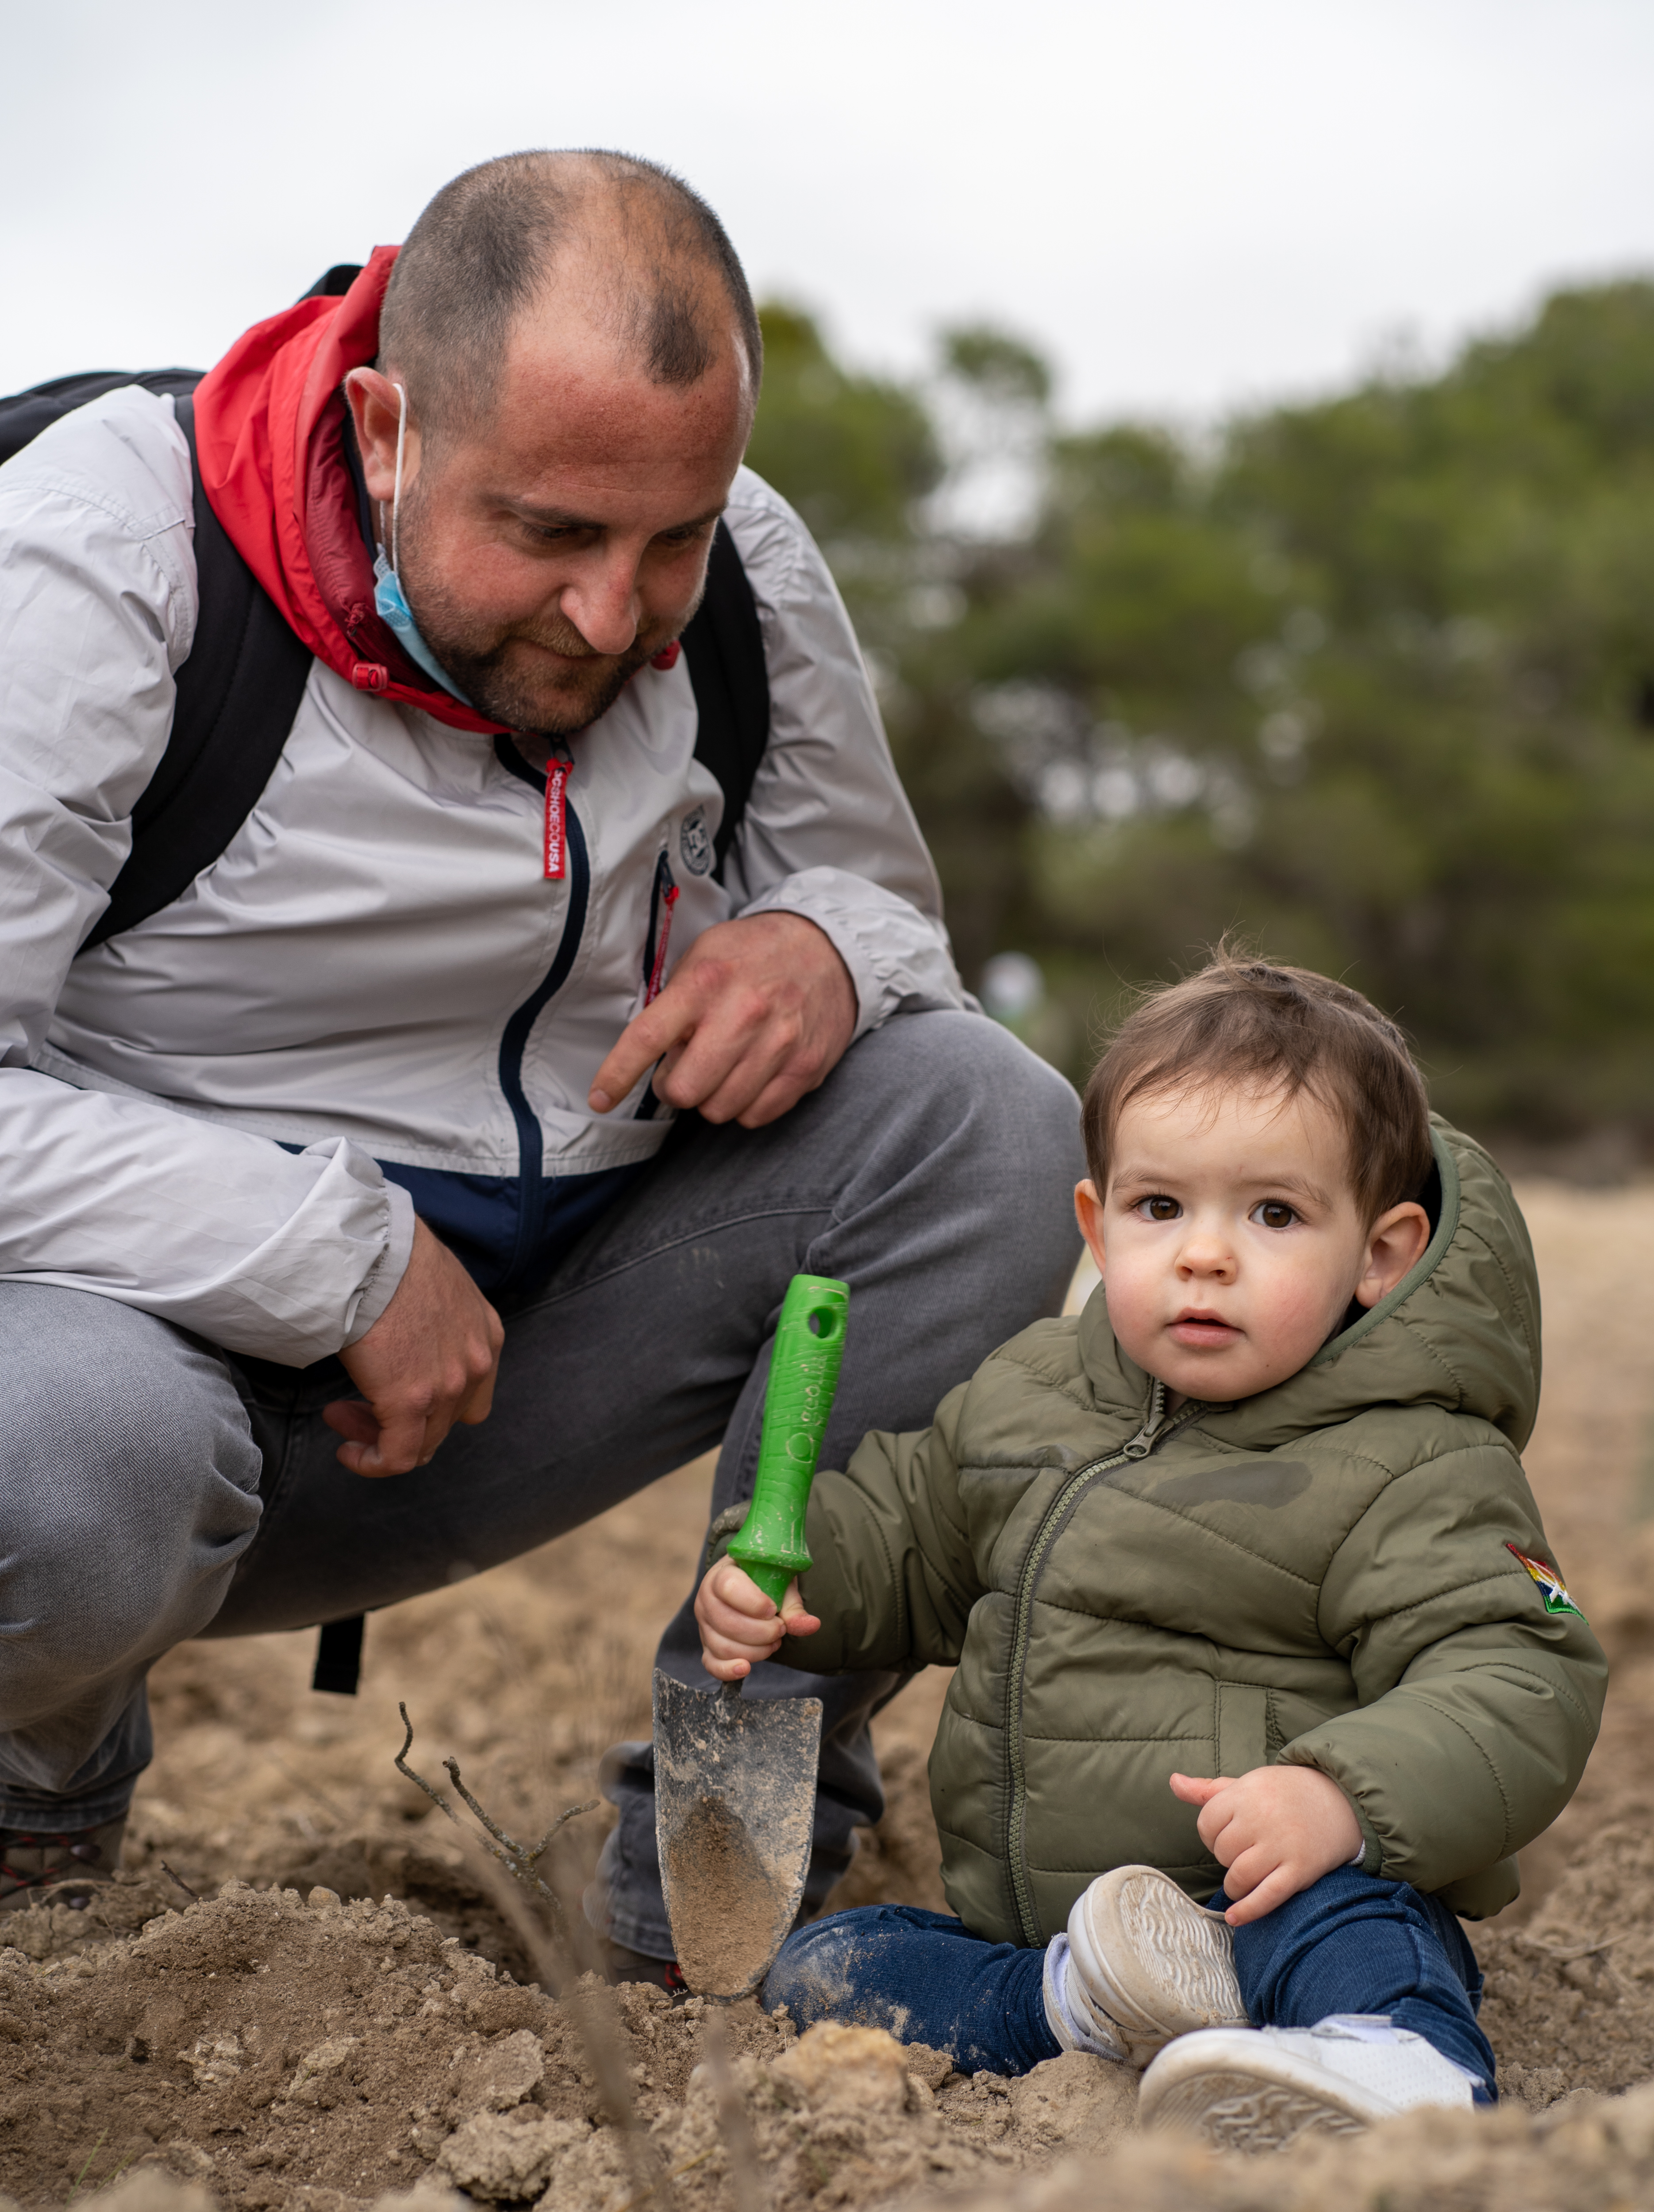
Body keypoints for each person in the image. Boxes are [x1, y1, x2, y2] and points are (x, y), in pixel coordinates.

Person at [0, 150, 1081, 1947]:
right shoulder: (102, 555)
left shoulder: (744, 568)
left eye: (671, 536)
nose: (614, 614)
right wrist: (330, 1252)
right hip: (140, 1375)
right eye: (553, 535)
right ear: (382, 425)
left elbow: (890, 914)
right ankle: (39, 1763)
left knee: (986, 1123)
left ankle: (726, 1852)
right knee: (54, 1463)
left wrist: (829, 944)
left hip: (545, 1338)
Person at [694, 951, 1607, 2149]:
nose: (1204, 1255)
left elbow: (1520, 1671)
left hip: (1274, 1902)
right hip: (1054, 1934)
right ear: (1098, 1219)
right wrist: (797, 1569)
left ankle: (1400, 2067)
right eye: (1160, 1208)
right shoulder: (1030, 1396)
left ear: (1380, 1256)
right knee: (830, 1965)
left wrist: (1342, 1797)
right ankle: (1092, 2007)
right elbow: (912, 1539)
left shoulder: (1412, 1462)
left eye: (1274, 1214)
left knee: (1357, 1934)